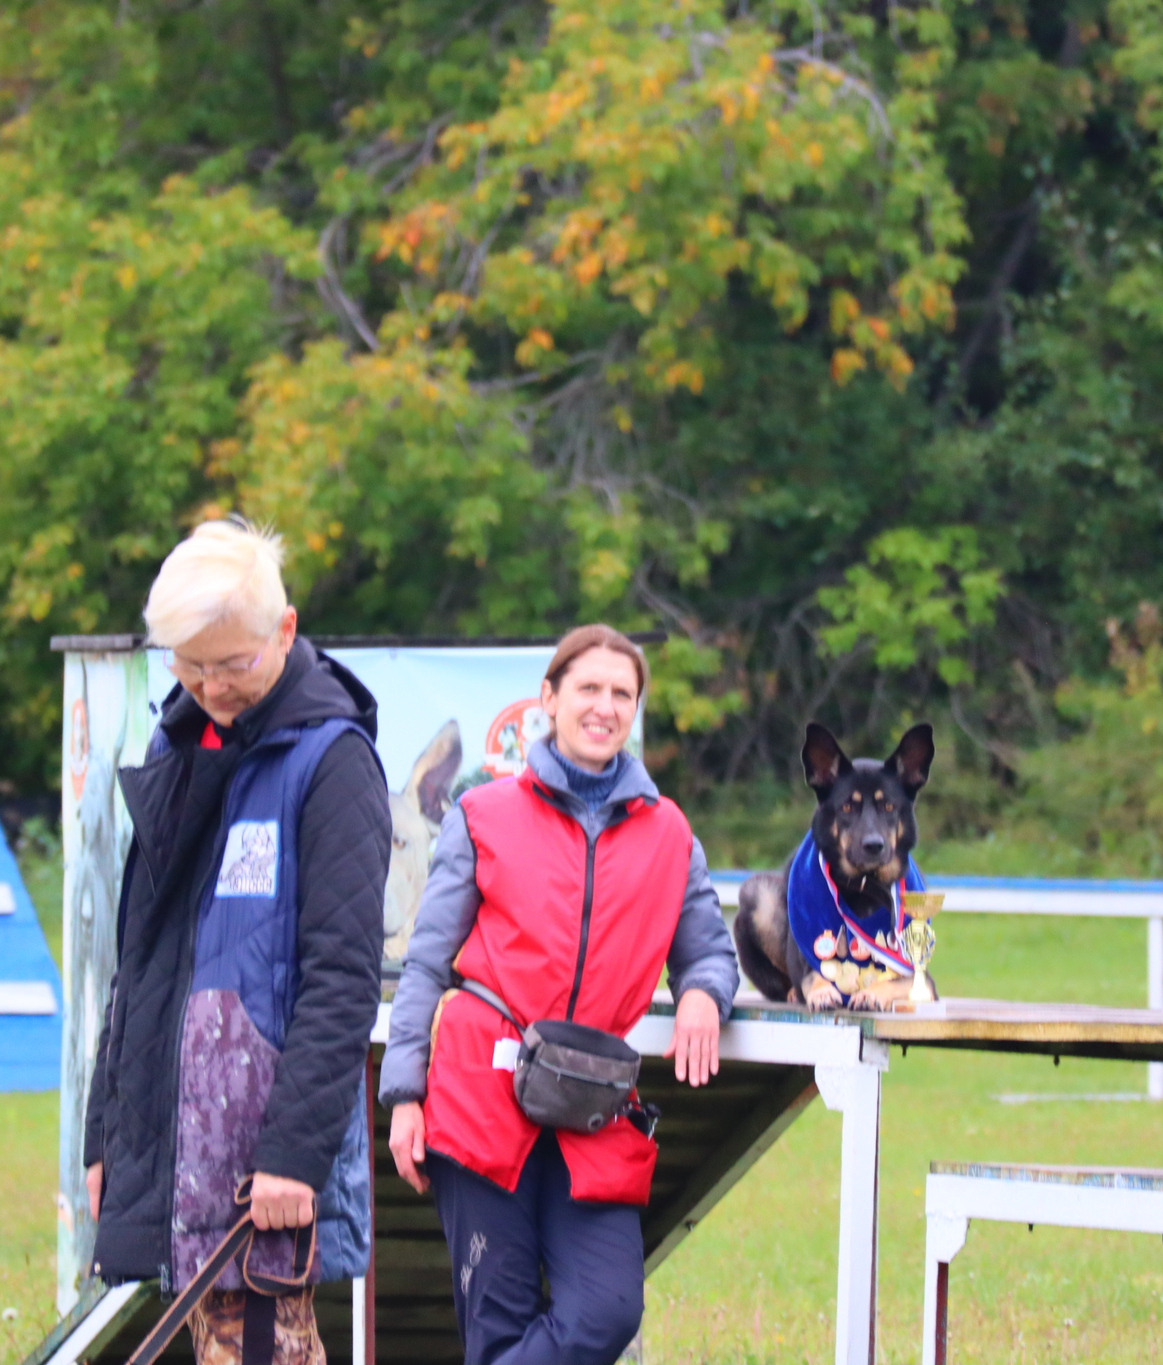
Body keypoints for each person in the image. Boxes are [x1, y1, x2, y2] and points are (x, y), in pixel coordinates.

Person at [378, 624, 740, 1365]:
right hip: (479, 1097)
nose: (605, 707)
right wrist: (403, 1094)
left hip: (595, 1103)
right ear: (549, 699)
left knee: (606, 1311)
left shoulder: (671, 834)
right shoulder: (483, 814)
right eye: (589, 689)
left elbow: (707, 948)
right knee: (500, 1327)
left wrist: (705, 993)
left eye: (622, 694)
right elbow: (425, 964)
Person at [83, 518, 390, 1365]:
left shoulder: (334, 763)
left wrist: (292, 1156)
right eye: (189, 665)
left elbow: (343, 979)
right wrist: (105, 1135)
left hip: (268, 1173)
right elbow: (139, 964)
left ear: (285, 631)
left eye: (233, 663)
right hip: (170, 1156)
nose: (210, 686)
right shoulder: (176, 747)